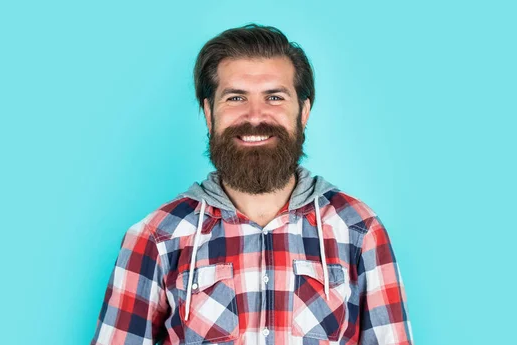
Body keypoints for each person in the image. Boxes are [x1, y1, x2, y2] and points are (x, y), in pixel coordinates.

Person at [90, 24, 413, 345]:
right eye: (235, 98)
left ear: (304, 112)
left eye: (274, 97)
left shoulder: (359, 229)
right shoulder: (157, 237)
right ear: (208, 112)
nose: (255, 116)